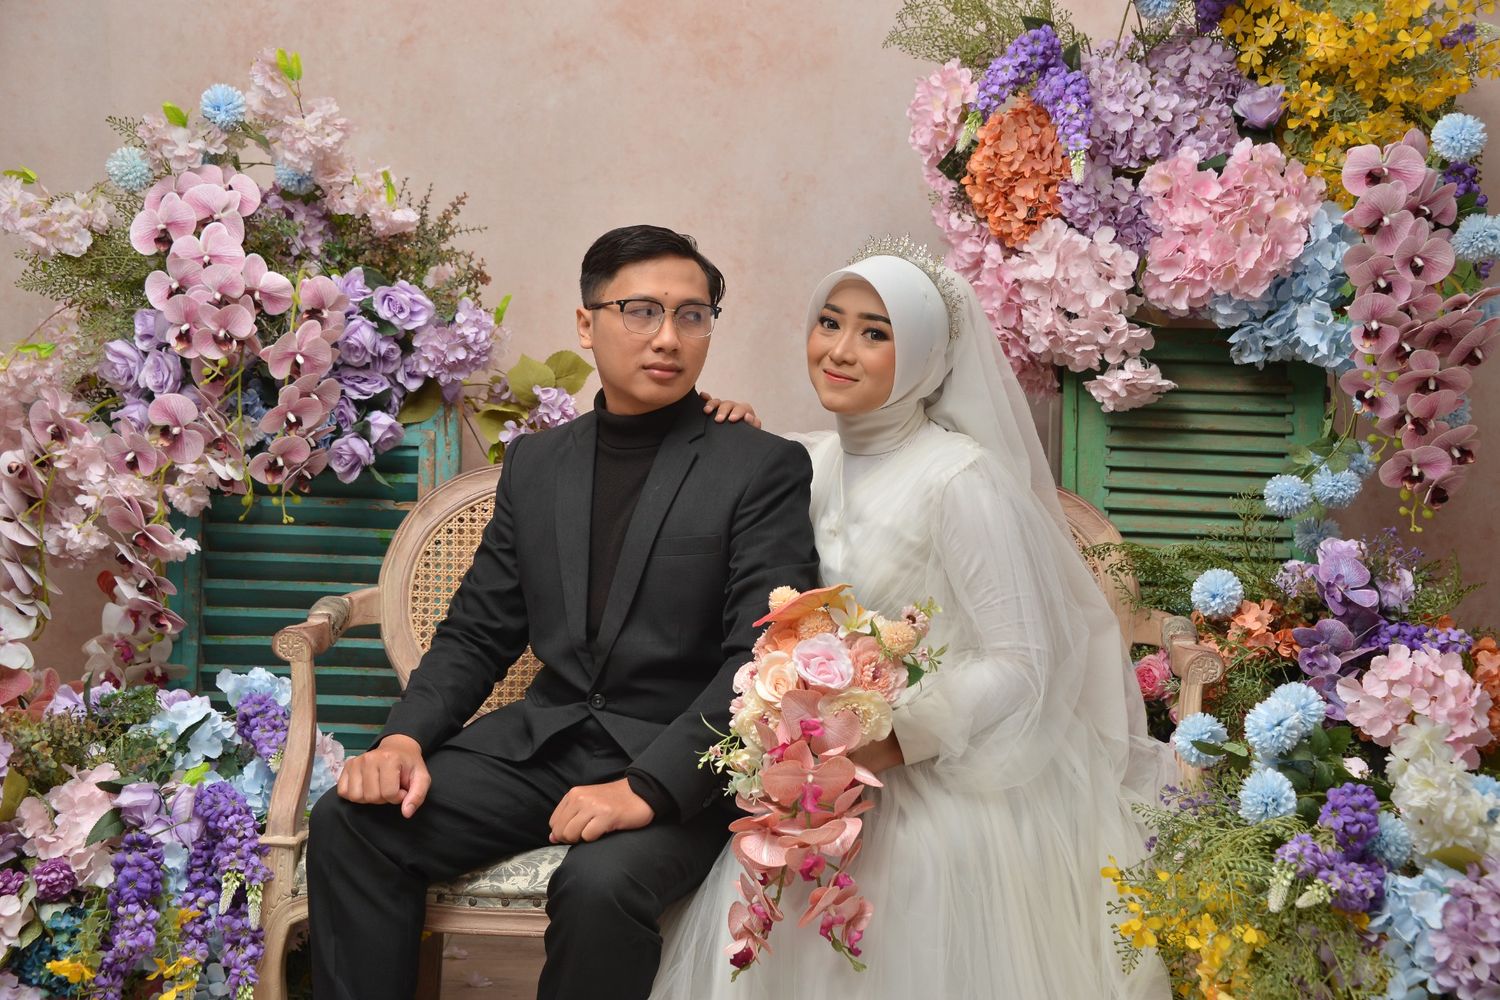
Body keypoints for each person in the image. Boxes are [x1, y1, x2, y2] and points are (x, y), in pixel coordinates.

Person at [306, 224, 820, 1000]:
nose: (669, 337)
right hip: (541, 747)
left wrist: (647, 789)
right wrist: (404, 737)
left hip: (679, 766)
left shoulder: (759, 466)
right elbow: (479, 630)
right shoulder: (538, 464)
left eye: (692, 315)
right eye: (641, 310)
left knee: (600, 885)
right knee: (353, 825)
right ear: (587, 323)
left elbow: (763, 659)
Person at [650, 239, 1173, 999]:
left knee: (907, 887)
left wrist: (895, 739)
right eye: (829, 322)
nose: (839, 351)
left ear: (925, 355)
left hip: (939, 770)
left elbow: (1023, 661)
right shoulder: (799, 461)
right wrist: (732, 437)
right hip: (814, 775)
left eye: (875, 333)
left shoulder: (960, 480)